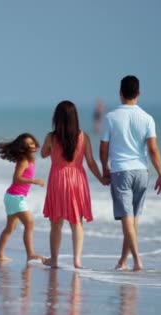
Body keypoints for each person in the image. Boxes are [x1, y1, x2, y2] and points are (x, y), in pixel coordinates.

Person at [99, 75, 161, 271]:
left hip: (121, 171)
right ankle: (123, 261)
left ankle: (137, 260)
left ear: (120, 93)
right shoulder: (147, 118)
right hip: (142, 172)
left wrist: (105, 167)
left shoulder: (110, 117)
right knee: (133, 219)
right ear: (138, 93)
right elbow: (153, 149)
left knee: (127, 219)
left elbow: (103, 148)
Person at [42, 100, 106, 269]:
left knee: (56, 222)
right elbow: (91, 162)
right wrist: (101, 179)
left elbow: (42, 154)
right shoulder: (83, 137)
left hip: (57, 179)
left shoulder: (51, 137)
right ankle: (77, 260)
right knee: (76, 221)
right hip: (77, 179)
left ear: (57, 118)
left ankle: (54, 259)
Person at [0, 133, 45, 263]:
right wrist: (33, 181)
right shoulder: (24, 161)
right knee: (29, 223)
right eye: (28, 144)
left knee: (10, 227)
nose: (32, 145)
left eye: (32, 143)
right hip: (16, 197)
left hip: (12, 196)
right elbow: (16, 178)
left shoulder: (30, 160)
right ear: (24, 148)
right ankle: (30, 254)